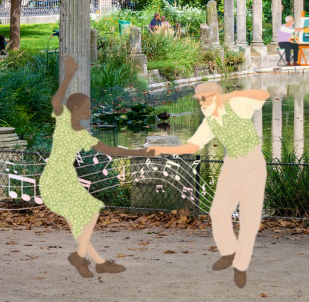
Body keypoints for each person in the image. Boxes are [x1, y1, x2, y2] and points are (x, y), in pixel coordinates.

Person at [148, 82, 269, 288]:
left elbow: (263, 93)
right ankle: (230, 252)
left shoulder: (238, 105)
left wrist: (233, 95)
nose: (201, 103)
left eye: (204, 98)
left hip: (253, 164)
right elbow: (192, 147)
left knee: (249, 219)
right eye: (199, 100)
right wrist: (160, 150)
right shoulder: (210, 121)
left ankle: (240, 266)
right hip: (232, 166)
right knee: (218, 213)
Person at [43, 55, 151, 278]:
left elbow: (109, 150)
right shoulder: (63, 120)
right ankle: (81, 257)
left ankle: (96, 261)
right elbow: (57, 101)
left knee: (79, 223)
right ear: (76, 110)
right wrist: (70, 75)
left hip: (64, 178)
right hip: (55, 178)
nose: (91, 109)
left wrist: (138, 152)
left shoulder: (82, 134)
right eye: (88, 107)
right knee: (90, 213)